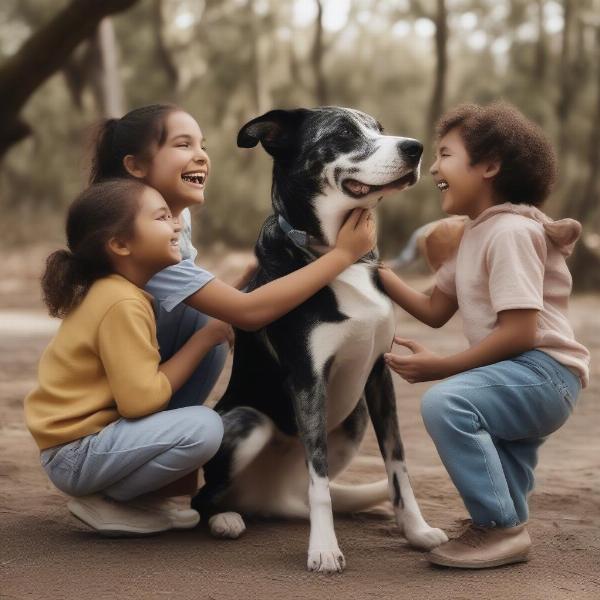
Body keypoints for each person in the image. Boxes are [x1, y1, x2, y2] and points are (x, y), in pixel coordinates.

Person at [25, 179, 376, 537]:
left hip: (85, 444)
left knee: (203, 349)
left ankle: (129, 495)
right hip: (77, 453)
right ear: (119, 244)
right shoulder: (121, 304)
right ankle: (110, 499)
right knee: (205, 428)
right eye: (162, 218)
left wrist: (229, 301)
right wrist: (202, 340)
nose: (177, 224)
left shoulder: (119, 294)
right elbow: (139, 401)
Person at [378, 102, 590, 569]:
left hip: (543, 372)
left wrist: (441, 368)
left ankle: (498, 527)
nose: (433, 166)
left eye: (446, 155)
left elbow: (520, 333)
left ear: (490, 165)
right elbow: (435, 309)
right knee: (503, 447)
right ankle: (504, 523)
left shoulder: (512, 232)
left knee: (448, 402)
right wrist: (373, 268)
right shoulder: (476, 234)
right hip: (520, 373)